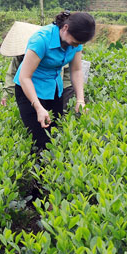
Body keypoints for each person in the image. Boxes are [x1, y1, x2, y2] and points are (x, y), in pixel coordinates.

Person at [15, 11, 95, 152]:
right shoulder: (41, 40)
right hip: (30, 89)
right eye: (75, 42)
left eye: (79, 44)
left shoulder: (75, 43)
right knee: (39, 139)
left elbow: (76, 70)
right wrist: (38, 107)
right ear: (65, 28)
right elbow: (25, 77)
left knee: (53, 134)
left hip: (54, 89)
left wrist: (80, 100)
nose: (76, 46)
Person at [0, 21, 73, 109]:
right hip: (34, 83)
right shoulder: (19, 57)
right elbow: (12, 74)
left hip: (62, 84)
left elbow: (57, 76)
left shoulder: (51, 53)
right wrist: (7, 95)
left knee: (59, 115)